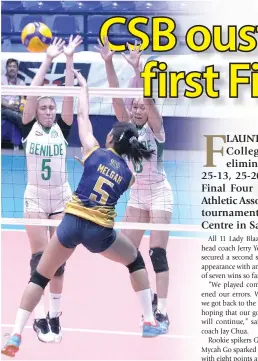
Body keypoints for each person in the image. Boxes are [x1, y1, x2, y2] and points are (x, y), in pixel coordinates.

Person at [1, 69, 169, 358]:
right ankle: (150, 320)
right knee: (135, 261)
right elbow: (109, 177)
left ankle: (16, 333)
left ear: (111, 138)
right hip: (99, 233)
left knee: (40, 275)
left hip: (70, 223)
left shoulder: (93, 152)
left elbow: (83, 116)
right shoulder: (129, 174)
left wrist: (82, 87)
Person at [96, 37, 173, 326]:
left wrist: (138, 69)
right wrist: (107, 63)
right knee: (126, 252)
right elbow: (117, 97)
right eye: (136, 107)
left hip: (159, 193)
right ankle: (149, 294)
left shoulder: (156, 128)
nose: (139, 109)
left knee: (157, 253)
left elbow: (150, 102)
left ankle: (162, 309)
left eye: (142, 106)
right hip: (137, 195)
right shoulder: (125, 128)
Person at [22, 35, 82, 343]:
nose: (47, 111)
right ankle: (40, 316)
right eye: (43, 107)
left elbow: (70, 94)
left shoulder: (64, 125)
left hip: (61, 198)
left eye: (51, 108)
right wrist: (48, 58)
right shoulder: (27, 125)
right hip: (34, 197)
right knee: (38, 260)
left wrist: (69, 59)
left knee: (57, 263)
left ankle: (54, 317)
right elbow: (31, 93)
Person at [1, 58, 26, 148]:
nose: (12, 68)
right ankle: (26, 133)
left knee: (16, 114)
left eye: (14, 66)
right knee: (10, 113)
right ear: (6, 68)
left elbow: (23, 99)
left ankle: (19, 144)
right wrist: (8, 105)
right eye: (10, 66)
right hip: (2, 108)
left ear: (17, 69)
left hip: (15, 110)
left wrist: (21, 105)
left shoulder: (21, 83)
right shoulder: (1, 80)